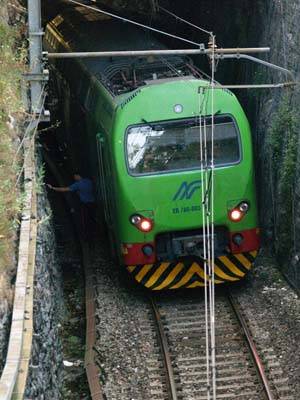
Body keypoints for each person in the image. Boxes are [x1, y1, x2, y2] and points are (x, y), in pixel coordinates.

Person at [47, 172, 96, 240]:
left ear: (78, 176)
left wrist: (52, 188)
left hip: (85, 205)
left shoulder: (78, 184)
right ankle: (94, 234)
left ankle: (87, 237)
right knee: (92, 219)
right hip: (93, 204)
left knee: (85, 221)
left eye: (75, 177)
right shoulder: (89, 181)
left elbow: (64, 189)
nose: (74, 178)